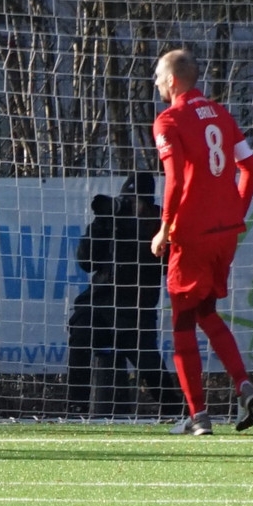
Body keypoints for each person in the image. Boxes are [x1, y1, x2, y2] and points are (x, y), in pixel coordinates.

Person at [151, 48, 253, 435]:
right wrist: (234, 212)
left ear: (172, 81)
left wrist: (165, 228)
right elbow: (252, 168)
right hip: (225, 233)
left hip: (193, 234)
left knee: (182, 322)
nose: (156, 84)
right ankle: (243, 385)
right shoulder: (220, 113)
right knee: (206, 311)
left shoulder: (168, 120)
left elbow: (175, 180)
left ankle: (198, 416)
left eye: (158, 77)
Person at [67, 172, 184, 418]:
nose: (129, 206)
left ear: (147, 203)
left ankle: (174, 410)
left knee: (149, 364)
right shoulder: (112, 220)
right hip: (100, 303)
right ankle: (76, 407)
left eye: (134, 201)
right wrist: (102, 222)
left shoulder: (159, 225)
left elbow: (168, 266)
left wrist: (142, 233)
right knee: (80, 332)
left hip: (136, 310)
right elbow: (86, 262)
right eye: (125, 201)